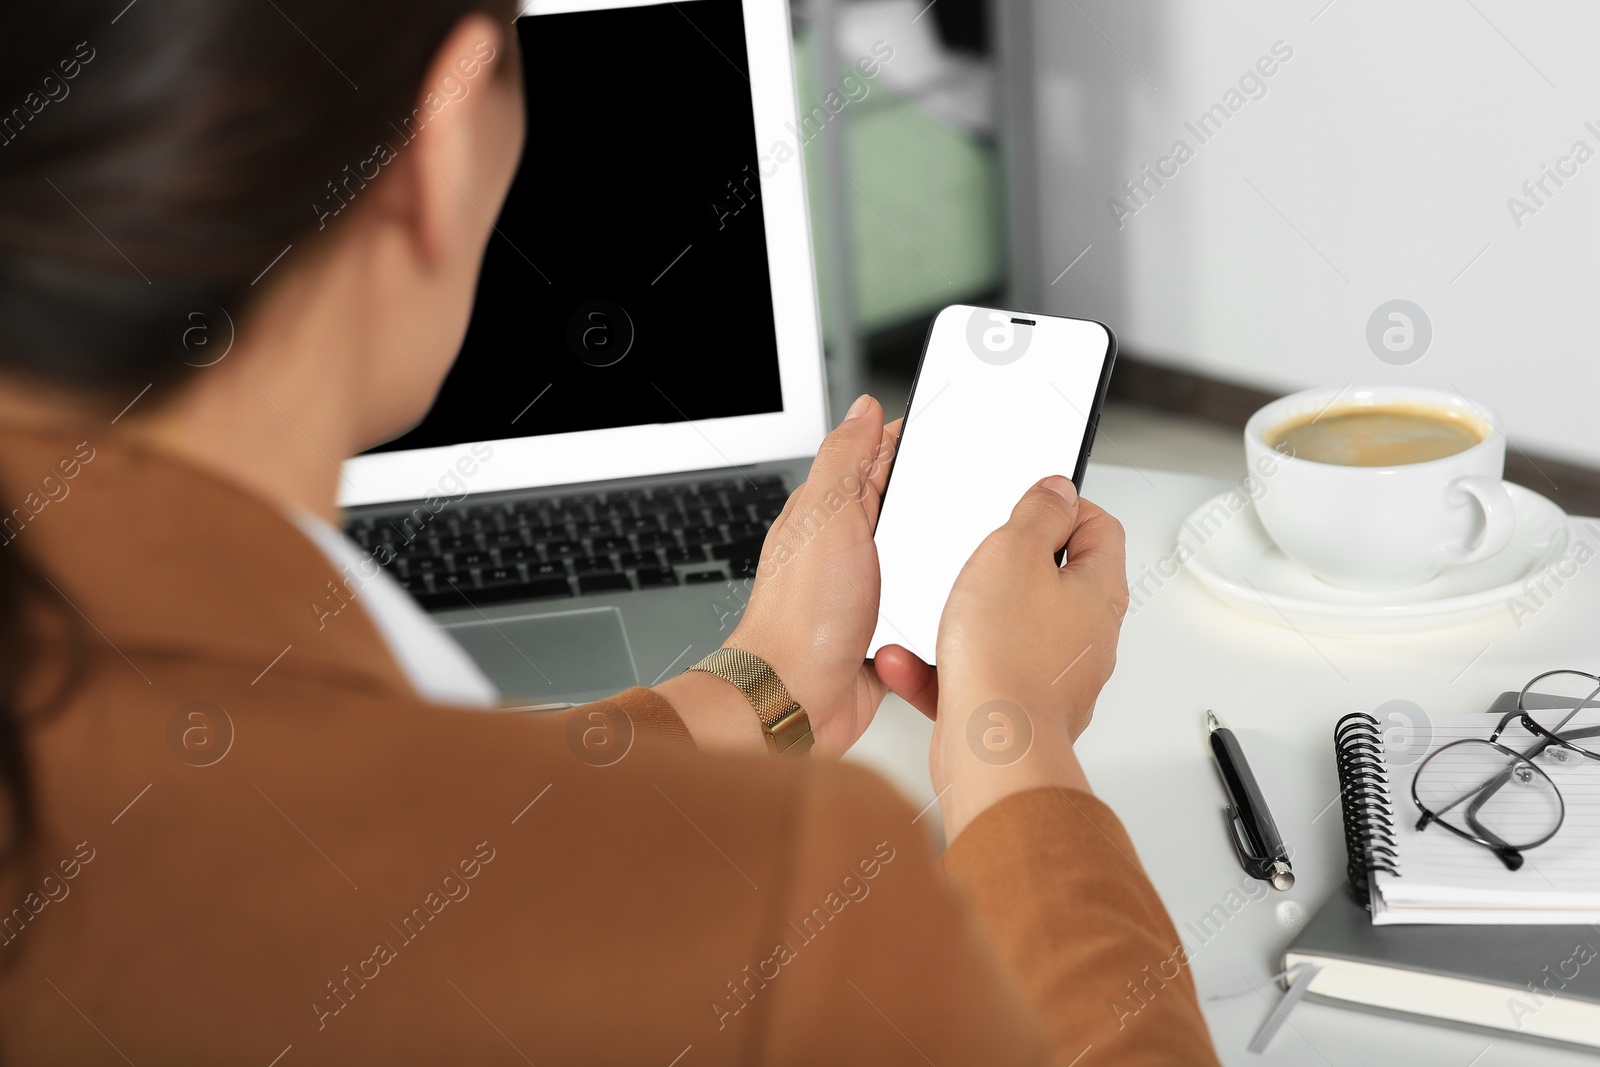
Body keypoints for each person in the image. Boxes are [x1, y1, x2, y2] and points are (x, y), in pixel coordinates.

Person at [0, 2, 1221, 1063]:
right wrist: (1011, 733)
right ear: (438, 144)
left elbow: (401, 824)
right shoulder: (790, 911)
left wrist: (763, 686)